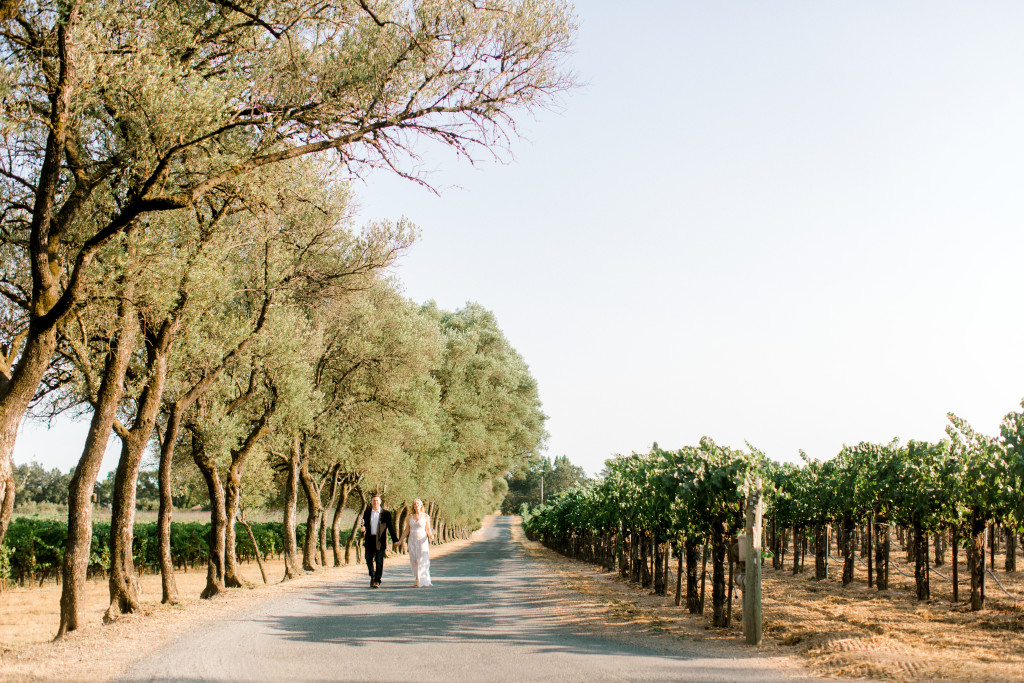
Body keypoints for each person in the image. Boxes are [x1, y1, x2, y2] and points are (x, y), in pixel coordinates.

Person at [360, 495, 399, 588]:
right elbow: (363, 524)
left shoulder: (385, 514)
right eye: (374, 501)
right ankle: (372, 576)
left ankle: (377, 581)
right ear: (371, 502)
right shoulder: (367, 512)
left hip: (380, 541)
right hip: (369, 539)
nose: (375, 502)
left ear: (380, 502)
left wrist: (395, 540)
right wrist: (362, 529)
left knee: (379, 561)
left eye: (377, 501)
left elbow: (390, 527)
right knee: (368, 559)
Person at [399, 498, 436, 587]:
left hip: (422, 539)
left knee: (422, 558)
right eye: (415, 504)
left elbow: (427, 528)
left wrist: (431, 535)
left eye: (418, 503)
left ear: (421, 505)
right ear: (413, 506)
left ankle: (423, 579)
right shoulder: (410, 517)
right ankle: (417, 577)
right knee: (414, 558)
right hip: (412, 539)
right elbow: (407, 529)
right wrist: (400, 540)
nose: (416, 505)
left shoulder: (426, 516)